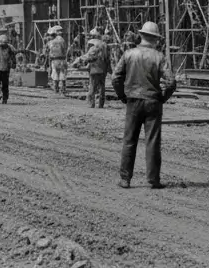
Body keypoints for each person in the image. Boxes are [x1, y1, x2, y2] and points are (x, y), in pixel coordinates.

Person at [111, 21, 177, 189]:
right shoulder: (159, 57)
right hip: (153, 102)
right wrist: (162, 98)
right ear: (156, 39)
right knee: (152, 141)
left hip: (133, 101)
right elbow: (170, 82)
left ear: (141, 36)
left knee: (129, 140)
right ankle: (153, 180)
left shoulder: (128, 54)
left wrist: (122, 96)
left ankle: (125, 179)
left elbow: (115, 77)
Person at [76, 28, 110, 108]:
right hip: (103, 69)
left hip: (94, 69)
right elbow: (108, 59)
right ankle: (100, 104)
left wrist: (80, 61)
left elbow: (88, 57)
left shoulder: (93, 49)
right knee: (102, 87)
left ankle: (91, 104)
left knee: (92, 87)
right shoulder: (106, 47)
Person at [0, 33, 16, 105]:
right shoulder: (10, 47)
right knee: (5, 85)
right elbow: (14, 55)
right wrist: (14, 64)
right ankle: (4, 99)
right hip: (5, 69)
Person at [46, 26, 68, 95]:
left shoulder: (50, 42)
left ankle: (56, 89)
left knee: (55, 75)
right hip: (62, 60)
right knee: (62, 75)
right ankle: (63, 89)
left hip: (54, 60)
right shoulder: (62, 40)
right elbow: (65, 49)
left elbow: (47, 51)